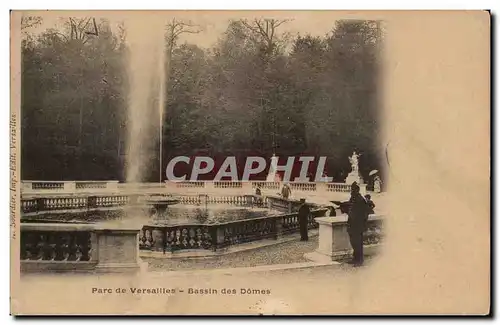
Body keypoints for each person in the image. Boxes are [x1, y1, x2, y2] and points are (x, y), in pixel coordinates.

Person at [347, 182, 370, 266]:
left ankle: (359, 260)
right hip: (352, 224)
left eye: (353, 190)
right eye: (351, 189)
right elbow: (350, 208)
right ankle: (355, 258)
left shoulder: (360, 199)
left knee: (357, 243)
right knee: (353, 242)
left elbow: (365, 212)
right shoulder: (353, 198)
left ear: (357, 190)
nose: (351, 191)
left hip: (357, 225)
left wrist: (361, 223)